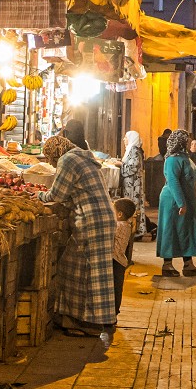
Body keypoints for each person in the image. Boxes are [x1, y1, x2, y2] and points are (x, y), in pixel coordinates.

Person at [38, 142, 119, 345]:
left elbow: (56, 194)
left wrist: (38, 195)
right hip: (103, 217)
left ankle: (85, 322)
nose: (50, 162)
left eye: (49, 157)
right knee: (93, 269)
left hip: (91, 219)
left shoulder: (68, 160)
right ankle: (90, 320)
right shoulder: (84, 157)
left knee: (77, 268)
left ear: (54, 153)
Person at [156, 129, 196, 277]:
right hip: (173, 200)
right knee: (171, 230)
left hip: (186, 198)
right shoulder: (172, 159)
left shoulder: (184, 157)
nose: (189, 142)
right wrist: (181, 203)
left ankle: (188, 264)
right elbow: (173, 181)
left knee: (186, 230)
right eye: (187, 139)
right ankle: (167, 265)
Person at [120, 131, 150, 239]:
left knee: (133, 206)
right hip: (130, 184)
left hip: (133, 185)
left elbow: (133, 166)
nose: (124, 139)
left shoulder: (134, 150)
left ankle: (135, 231)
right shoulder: (131, 150)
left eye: (126, 137)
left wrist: (121, 165)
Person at [111, 197, 137, 318]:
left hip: (115, 261)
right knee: (117, 288)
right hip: (120, 261)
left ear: (120, 214)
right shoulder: (127, 225)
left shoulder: (120, 225)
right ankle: (114, 313)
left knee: (114, 289)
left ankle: (112, 313)